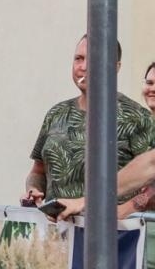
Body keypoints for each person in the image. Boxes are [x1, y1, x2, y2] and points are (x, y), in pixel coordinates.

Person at [24, 36, 155, 208]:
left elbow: (152, 186)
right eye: (79, 59)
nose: (84, 67)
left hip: (118, 233)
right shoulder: (56, 114)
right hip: (58, 230)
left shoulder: (138, 118)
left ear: (115, 67)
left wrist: (120, 213)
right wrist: (33, 190)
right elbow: (38, 171)